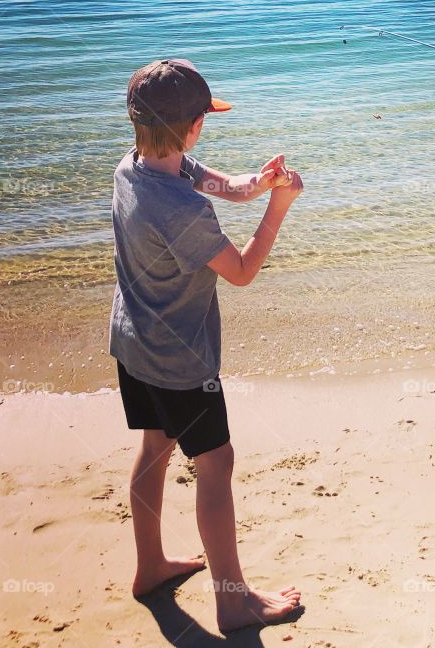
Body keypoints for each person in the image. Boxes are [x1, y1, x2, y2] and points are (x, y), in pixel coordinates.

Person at [109, 58, 305, 630]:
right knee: (215, 465)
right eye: (203, 121)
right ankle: (233, 600)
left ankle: (150, 567)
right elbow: (241, 270)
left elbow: (216, 182)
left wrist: (255, 184)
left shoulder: (134, 166)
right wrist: (279, 206)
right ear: (194, 126)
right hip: (180, 360)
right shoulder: (183, 208)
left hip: (134, 341)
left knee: (154, 449)